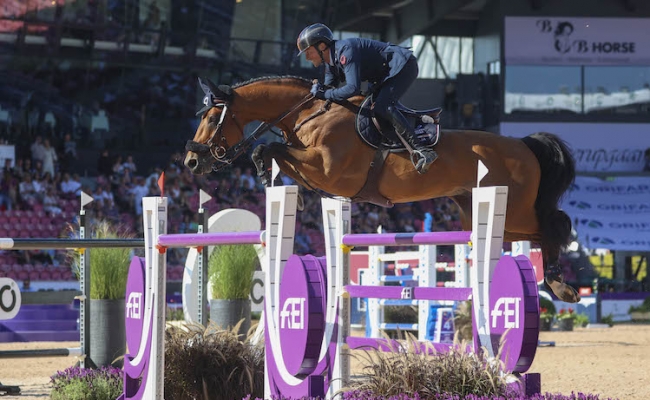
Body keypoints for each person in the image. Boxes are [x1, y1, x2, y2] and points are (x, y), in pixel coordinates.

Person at [297, 23, 436, 174]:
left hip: (402, 66)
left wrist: (322, 93)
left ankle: (422, 150)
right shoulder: (329, 63)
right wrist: (316, 92)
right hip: (383, 75)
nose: (307, 57)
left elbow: (352, 88)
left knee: (383, 106)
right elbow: (329, 91)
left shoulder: (345, 51)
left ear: (322, 46)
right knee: (372, 108)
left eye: (308, 51)